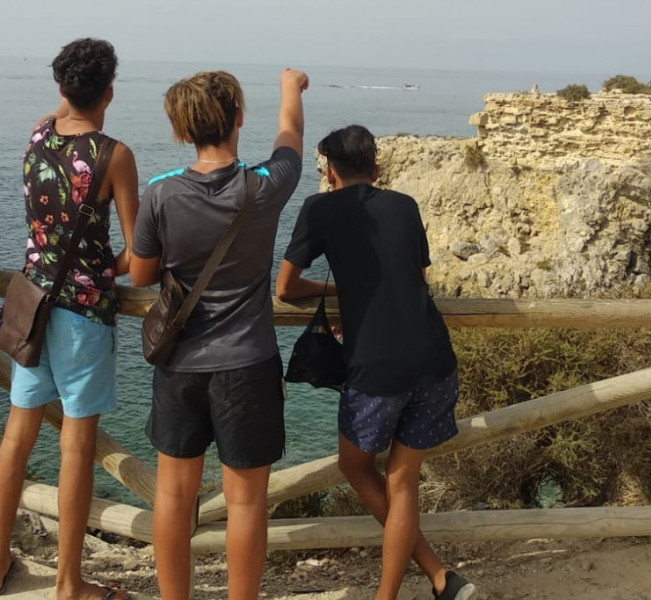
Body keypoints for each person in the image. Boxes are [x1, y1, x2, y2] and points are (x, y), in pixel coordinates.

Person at [276, 125, 476, 600]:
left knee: (354, 466)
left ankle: (427, 579)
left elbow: (285, 287)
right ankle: (439, 579)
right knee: (403, 481)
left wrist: (333, 289)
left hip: (376, 365)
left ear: (329, 170)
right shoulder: (404, 205)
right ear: (377, 168)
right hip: (433, 357)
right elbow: (408, 273)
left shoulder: (319, 208)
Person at [129, 67, 306, 600]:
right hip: (247, 363)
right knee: (247, 502)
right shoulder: (265, 186)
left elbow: (139, 275)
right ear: (237, 119)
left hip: (180, 364)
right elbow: (291, 138)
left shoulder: (159, 194)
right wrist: (289, 89)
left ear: (183, 131)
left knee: (173, 496)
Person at [0, 38, 139, 600]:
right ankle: (69, 583)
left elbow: (61, 111)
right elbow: (138, 254)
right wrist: (102, 270)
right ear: (110, 91)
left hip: (31, 303)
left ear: (60, 89)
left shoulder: (37, 135)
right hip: (83, 313)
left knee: (16, 438)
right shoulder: (116, 155)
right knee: (77, 448)